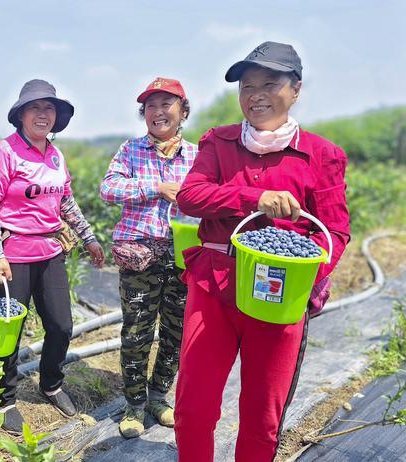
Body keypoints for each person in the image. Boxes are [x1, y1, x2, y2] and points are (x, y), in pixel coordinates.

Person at [174, 42, 351, 461]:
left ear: (296, 89)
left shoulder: (322, 155)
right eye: (246, 86)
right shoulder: (218, 143)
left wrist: (310, 271)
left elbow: (336, 232)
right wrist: (254, 198)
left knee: (262, 418)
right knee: (193, 408)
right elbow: (190, 196)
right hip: (215, 286)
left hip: (279, 296)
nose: (255, 94)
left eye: (269, 83)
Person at [0, 79, 105, 434]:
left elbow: (65, 201)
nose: (42, 114)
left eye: (49, 108)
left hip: (50, 251)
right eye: (35, 108)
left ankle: (51, 383)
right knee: (8, 332)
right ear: (21, 114)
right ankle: (3, 399)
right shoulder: (5, 152)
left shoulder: (54, 154)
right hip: (14, 254)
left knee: (62, 325)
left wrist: (89, 238)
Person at [100, 77, 197, 438]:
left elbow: (210, 198)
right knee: (137, 332)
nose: (158, 111)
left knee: (176, 331)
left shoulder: (197, 156)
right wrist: (155, 187)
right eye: (151, 106)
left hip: (183, 255)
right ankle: (134, 404)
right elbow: (108, 189)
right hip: (139, 255)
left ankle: (159, 397)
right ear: (144, 114)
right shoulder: (131, 151)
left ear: (182, 112)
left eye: (166, 104)